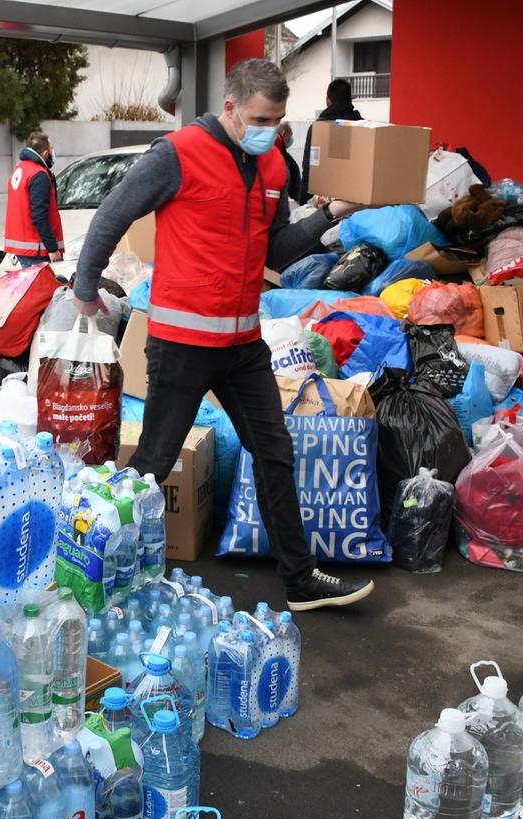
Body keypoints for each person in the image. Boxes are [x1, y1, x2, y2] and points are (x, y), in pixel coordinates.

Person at [72, 59, 374, 612]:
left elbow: (277, 251)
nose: (270, 130)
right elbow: (112, 214)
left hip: (241, 348)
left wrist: (329, 213)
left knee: (275, 452)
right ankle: (101, 579)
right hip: (182, 345)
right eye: (261, 118)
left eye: (279, 121)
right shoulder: (177, 153)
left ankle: (301, 579)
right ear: (231, 108)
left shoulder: (274, 168)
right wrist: (85, 284)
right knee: (152, 467)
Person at [297, 78, 363, 204]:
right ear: (350, 99)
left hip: (325, 207)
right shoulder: (364, 127)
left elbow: (309, 169)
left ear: (328, 100)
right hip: (356, 202)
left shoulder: (318, 128)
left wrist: (302, 202)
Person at [4, 131, 64, 266]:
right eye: (51, 150)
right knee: (43, 287)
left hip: (24, 247)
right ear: (45, 153)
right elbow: (39, 215)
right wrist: (52, 248)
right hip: (36, 249)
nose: (52, 153)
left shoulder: (20, 169)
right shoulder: (39, 174)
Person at [276, 122, 301, 200]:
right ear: (284, 134)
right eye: (290, 135)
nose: (291, 138)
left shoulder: (283, 154)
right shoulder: (280, 156)